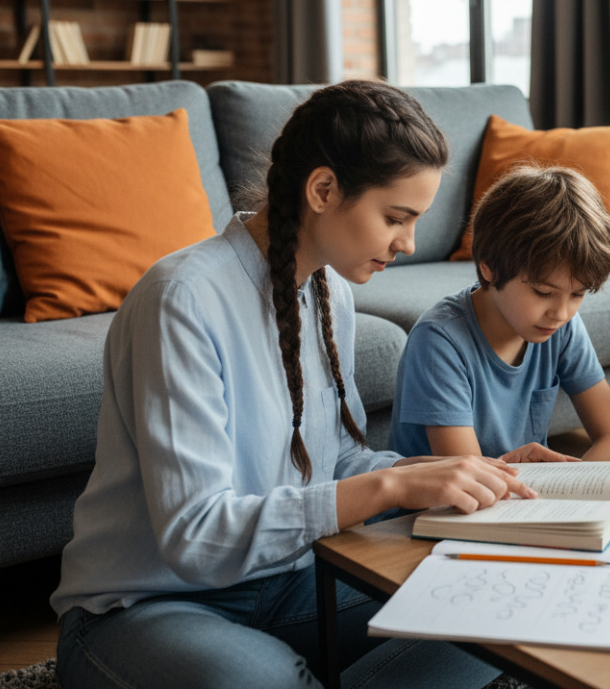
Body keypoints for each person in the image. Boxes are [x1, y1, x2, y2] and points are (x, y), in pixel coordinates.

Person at [51, 80, 537, 689]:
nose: (409, 244)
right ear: (323, 190)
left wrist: (461, 478)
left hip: (287, 582)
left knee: (487, 598)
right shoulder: (182, 298)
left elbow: (340, 459)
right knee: (262, 680)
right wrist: (389, 487)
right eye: (396, 217)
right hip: (148, 605)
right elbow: (195, 535)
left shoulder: (329, 292)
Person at [389, 164, 610, 464]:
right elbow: (465, 482)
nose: (561, 313)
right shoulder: (440, 341)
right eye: (543, 293)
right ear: (489, 270)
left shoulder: (562, 328)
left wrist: (575, 484)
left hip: (518, 502)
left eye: (578, 294)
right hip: (438, 508)